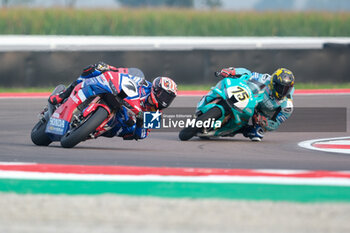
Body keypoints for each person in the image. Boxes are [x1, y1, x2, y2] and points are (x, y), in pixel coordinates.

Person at [49, 62, 177, 140]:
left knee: (125, 130)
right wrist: (108, 68)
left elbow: (141, 135)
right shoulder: (144, 84)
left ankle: (88, 130)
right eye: (164, 95)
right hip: (116, 95)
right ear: (156, 90)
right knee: (95, 70)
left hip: (120, 121)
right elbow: (123, 74)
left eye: (169, 98)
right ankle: (64, 94)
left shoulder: (155, 115)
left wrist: (139, 122)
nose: (165, 100)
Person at [217, 67, 295, 141]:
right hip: (250, 98)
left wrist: (266, 122)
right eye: (280, 87)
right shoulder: (265, 79)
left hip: (260, 115)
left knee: (257, 134)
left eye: (286, 89)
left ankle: (233, 130)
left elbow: (275, 125)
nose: (282, 91)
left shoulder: (287, 106)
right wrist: (233, 71)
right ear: (273, 83)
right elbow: (248, 73)